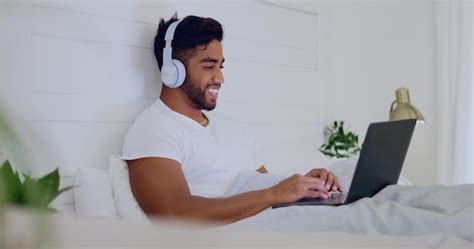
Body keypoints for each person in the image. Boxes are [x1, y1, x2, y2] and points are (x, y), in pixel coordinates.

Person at [122, 14, 343, 224]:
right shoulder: (155, 128)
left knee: (351, 182)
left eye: (221, 66)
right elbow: (174, 214)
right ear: (173, 70)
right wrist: (274, 194)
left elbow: (265, 186)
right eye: (209, 66)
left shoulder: (231, 127)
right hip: (251, 230)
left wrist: (306, 186)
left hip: (282, 217)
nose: (220, 78)